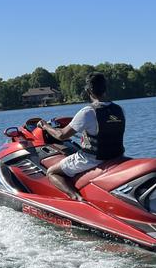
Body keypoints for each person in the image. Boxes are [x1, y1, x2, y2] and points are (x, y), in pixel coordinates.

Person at [37, 72, 125, 201]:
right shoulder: (119, 109)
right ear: (105, 88)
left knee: (51, 172)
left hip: (93, 159)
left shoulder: (88, 111)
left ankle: (76, 198)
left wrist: (45, 126)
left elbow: (61, 135)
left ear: (88, 90)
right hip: (116, 156)